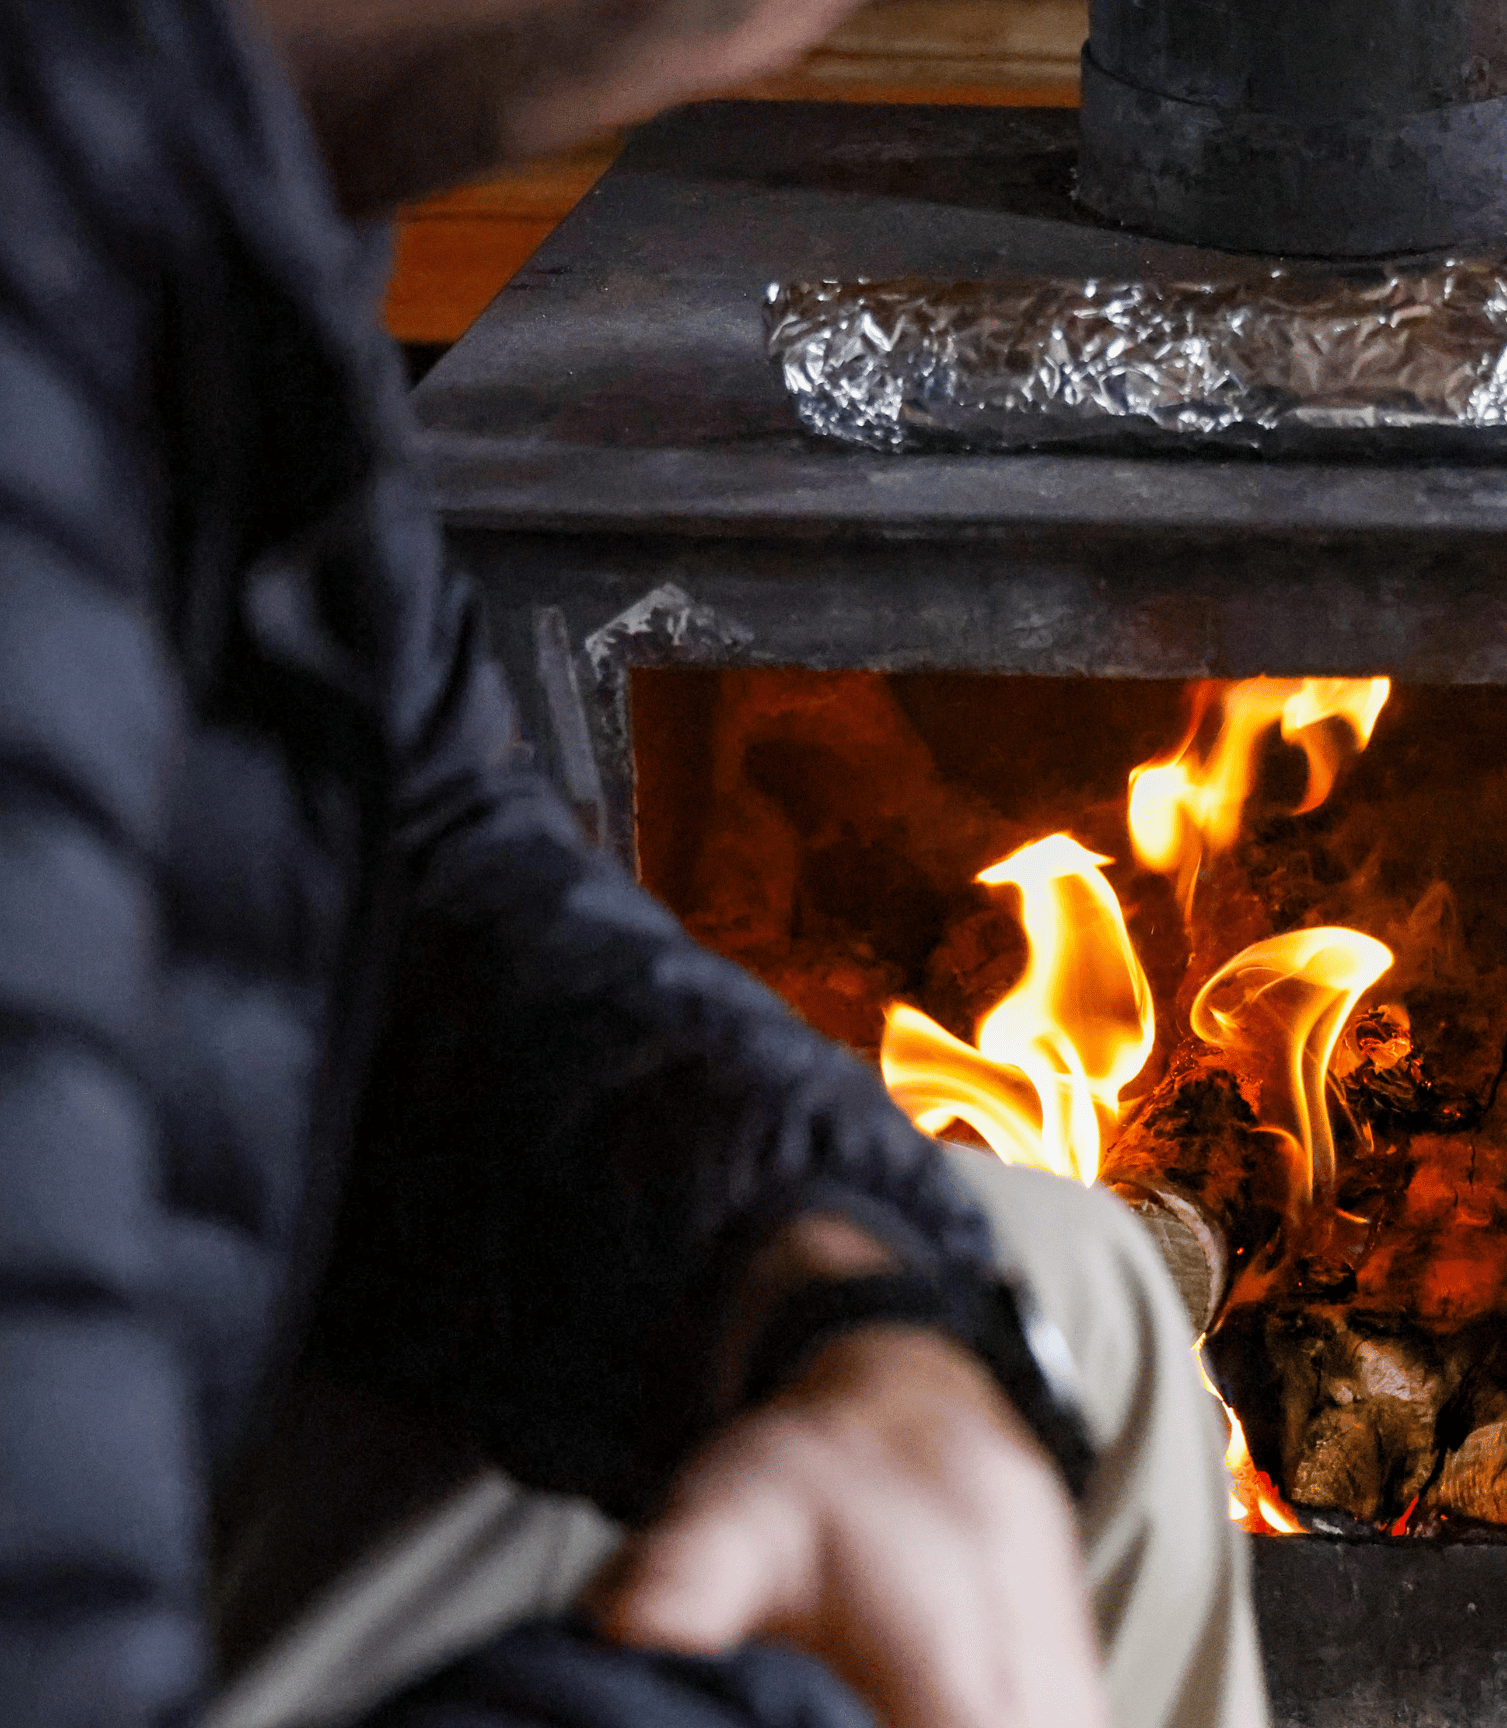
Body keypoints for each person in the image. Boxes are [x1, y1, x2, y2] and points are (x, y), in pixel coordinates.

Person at [0, 3, 1266, 1727]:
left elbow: (424, 872)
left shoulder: (177, 183)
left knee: (1059, 1309)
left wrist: (842, 1305)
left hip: (162, 1406)